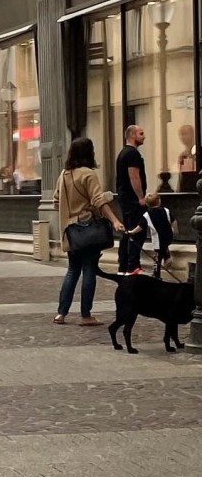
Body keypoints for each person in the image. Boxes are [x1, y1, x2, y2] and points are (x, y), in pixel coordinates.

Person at [53, 136, 125, 326]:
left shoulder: (64, 174)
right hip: (88, 230)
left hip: (71, 232)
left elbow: (55, 201)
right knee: (89, 269)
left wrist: (70, 211)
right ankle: (86, 315)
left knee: (72, 270)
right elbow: (98, 201)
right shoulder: (88, 174)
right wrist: (115, 220)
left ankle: (61, 313)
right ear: (89, 152)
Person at [115, 125, 148, 274]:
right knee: (137, 231)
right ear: (132, 135)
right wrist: (141, 197)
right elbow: (134, 176)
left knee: (128, 232)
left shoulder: (123, 153)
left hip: (124, 198)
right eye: (141, 133)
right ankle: (133, 266)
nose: (144, 136)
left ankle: (123, 266)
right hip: (132, 199)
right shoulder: (132, 154)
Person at [144, 192, 176, 278]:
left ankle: (156, 274)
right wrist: (175, 230)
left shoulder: (148, 214)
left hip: (157, 239)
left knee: (157, 256)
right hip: (167, 236)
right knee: (164, 247)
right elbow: (173, 221)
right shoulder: (166, 210)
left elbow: (141, 225)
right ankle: (167, 258)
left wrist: (132, 232)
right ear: (159, 201)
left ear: (147, 204)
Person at [177, 124, 197, 192]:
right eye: (181, 134)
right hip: (185, 189)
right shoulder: (183, 155)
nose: (183, 137)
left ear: (192, 135)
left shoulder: (197, 152)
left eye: (185, 134)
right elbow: (181, 176)